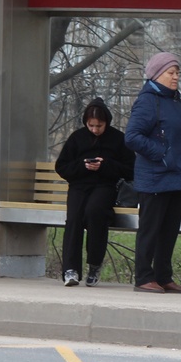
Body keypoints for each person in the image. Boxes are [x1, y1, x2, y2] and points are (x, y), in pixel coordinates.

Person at [124, 51, 181, 294]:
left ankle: (163, 276)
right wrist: (162, 153)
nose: (176, 77)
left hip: (177, 176)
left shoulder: (176, 100)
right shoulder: (148, 100)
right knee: (151, 230)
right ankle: (144, 277)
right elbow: (132, 137)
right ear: (156, 75)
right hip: (155, 178)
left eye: (177, 73)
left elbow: (180, 135)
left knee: (169, 231)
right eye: (171, 73)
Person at [54, 97, 134, 287]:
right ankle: (70, 269)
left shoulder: (117, 139)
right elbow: (62, 167)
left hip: (105, 186)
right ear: (86, 123)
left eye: (99, 126)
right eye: (91, 126)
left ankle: (94, 264)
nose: (95, 130)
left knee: (95, 213)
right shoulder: (77, 138)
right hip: (79, 186)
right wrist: (83, 166)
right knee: (74, 218)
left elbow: (130, 169)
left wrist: (105, 166)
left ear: (106, 122)